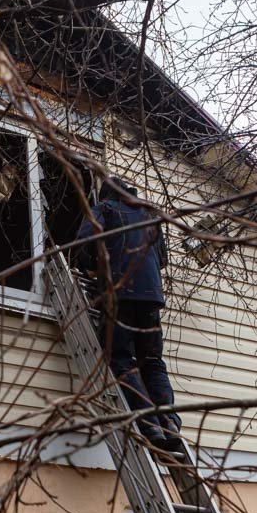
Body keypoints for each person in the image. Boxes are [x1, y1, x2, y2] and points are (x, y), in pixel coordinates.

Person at [74, 176, 181, 450]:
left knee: (120, 358)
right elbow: (163, 259)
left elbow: (85, 240)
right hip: (152, 299)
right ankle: (168, 420)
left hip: (119, 294)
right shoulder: (149, 217)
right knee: (153, 361)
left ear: (107, 194)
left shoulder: (106, 208)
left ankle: (149, 423)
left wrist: (91, 265)